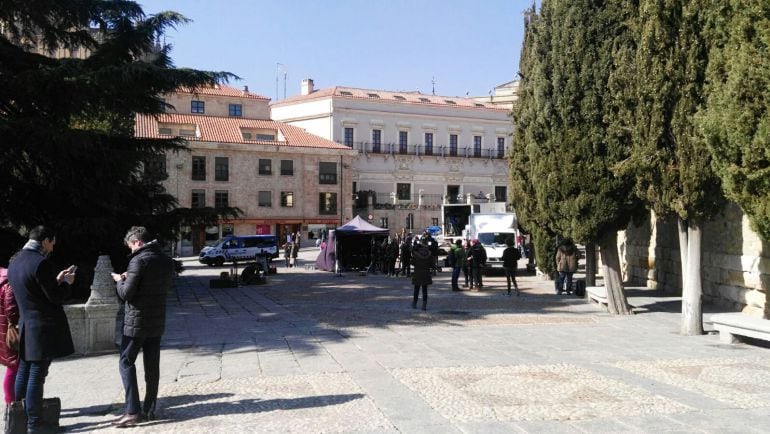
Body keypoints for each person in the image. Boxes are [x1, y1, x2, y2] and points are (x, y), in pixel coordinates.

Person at [8, 226, 76, 434]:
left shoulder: (15, 261)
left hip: (27, 324)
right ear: (45, 240)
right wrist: (67, 283)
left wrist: (55, 280)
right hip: (43, 327)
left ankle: (17, 419)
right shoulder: (41, 263)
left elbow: (34, 290)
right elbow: (55, 297)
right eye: (52, 242)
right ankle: (34, 424)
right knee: (36, 374)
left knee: (24, 370)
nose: (53, 246)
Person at [111, 226, 175, 427]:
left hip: (136, 322)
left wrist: (119, 281)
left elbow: (126, 294)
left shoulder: (138, 260)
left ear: (137, 242)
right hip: (157, 319)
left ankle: (132, 411)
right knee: (152, 364)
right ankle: (149, 408)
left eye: (131, 246)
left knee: (126, 362)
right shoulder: (165, 260)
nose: (130, 250)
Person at [0, 266, 19, 404]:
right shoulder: (9, 281)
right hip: (9, 332)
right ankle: (10, 403)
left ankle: (11, 402)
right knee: (14, 367)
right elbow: (11, 310)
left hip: (3, 330)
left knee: (12, 367)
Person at [410, 238, 433, 310]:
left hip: (417, 273)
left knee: (416, 289)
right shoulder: (429, 254)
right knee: (424, 290)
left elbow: (412, 263)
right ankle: (424, 305)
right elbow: (432, 264)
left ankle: (414, 303)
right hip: (426, 273)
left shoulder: (416, 254)